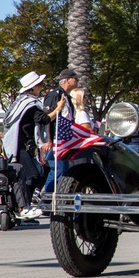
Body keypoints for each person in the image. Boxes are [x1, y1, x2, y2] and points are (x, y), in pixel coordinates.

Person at [2, 71, 65, 221]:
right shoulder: (30, 104)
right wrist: (58, 108)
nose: (41, 88)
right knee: (33, 175)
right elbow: (44, 119)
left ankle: (19, 210)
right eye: (39, 85)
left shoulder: (20, 102)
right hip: (19, 147)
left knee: (37, 174)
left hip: (22, 145)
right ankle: (21, 209)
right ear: (32, 87)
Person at [39, 68, 78, 196]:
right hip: (55, 140)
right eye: (75, 79)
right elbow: (47, 119)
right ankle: (47, 200)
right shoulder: (54, 94)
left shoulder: (66, 96)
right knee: (57, 170)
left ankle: (59, 200)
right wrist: (48, 140)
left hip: (64, 141)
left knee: (63, 171)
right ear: (67, 80)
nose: (77, 81)